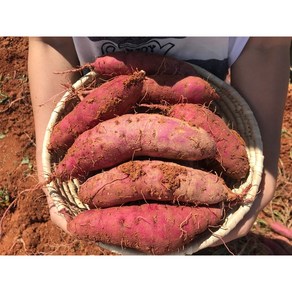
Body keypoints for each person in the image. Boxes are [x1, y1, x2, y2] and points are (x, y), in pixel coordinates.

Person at [28, 37, 291, 248]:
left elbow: (267, 44)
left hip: (196, 96)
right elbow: (50, 39)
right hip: (110, 95)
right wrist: (48, 151)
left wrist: (264, 166)